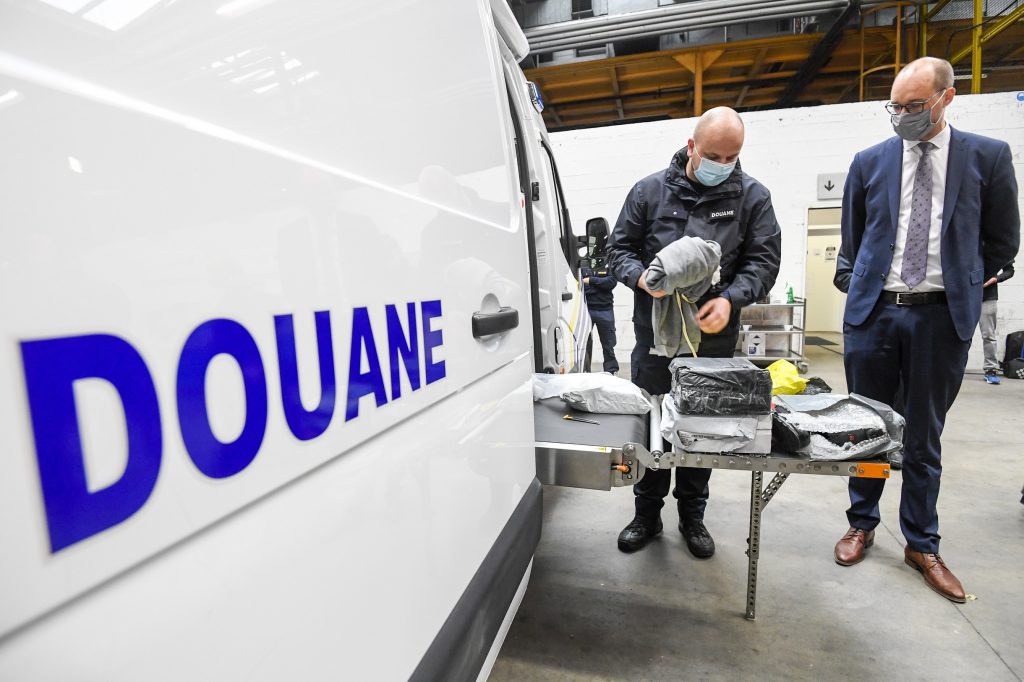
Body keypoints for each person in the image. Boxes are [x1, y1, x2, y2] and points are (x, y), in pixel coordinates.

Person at [832, 57, 1019, 602]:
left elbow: (1003, 241)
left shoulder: (988, 156)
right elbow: (853, 239)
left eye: (915, 106)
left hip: (941, 316)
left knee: (923, 434)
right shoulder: (869, 162)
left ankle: (921, 542)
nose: (904, 116)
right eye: (896, 107)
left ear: (946, 97)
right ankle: (862, 523)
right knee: (867, 427)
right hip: (875, 315)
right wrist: (859, 286)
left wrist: (963, 285)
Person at [605, 106, 782, 557]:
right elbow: (618, 249)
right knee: (653, 426)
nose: (722, 165)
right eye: (713, 155)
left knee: (704, 427)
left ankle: (692, 516)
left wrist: (730, 298)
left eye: (731, 157)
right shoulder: (648, 192)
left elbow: (763, 262)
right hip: (655, 337)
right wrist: (641, 279)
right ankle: (646, 514)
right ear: (691, 147)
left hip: (713, 339)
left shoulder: (752, 197)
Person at [582, 257, 620, 375]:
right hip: (586, 310)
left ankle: (611, 371)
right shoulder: (583, 264)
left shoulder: (608, 263)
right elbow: (580, 286)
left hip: (605, 310)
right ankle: (584, 371)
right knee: (584, 344)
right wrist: (600, 285)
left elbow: (611, 282)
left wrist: (591, 281)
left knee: (608, 345)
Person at [980, 260, 1014, 384]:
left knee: (988, 335)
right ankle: (956, 369)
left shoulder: (996, 249)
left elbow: (1009, 270)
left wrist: (996, 279)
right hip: (966, 297)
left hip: (988, 297)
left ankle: (990, 370)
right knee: (962, 335)